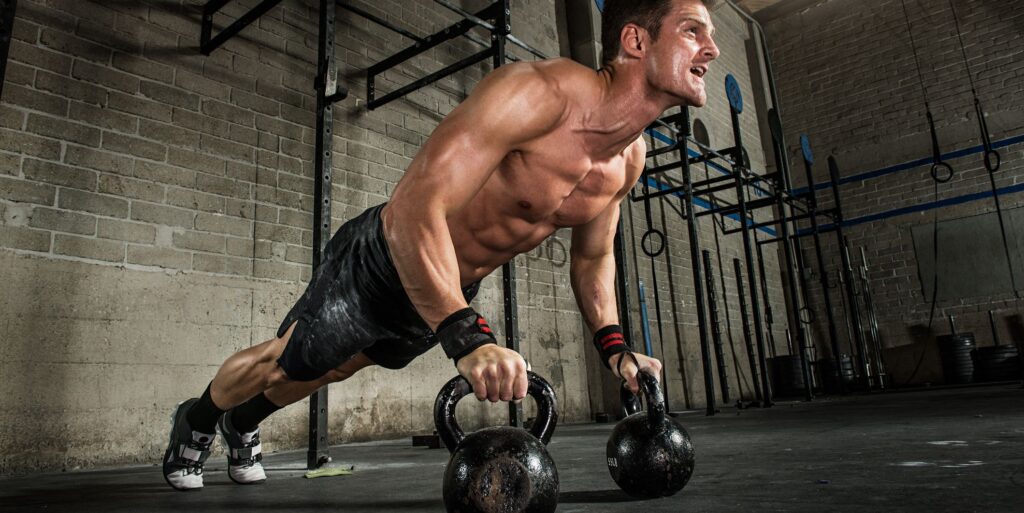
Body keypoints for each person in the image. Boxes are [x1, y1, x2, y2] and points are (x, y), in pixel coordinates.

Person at [162, 0, 719, 490]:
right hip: (386, 256)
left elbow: (594, 258)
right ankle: (200, 420)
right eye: (694, 31)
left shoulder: (629, 159)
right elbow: (413, 208)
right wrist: (467, 334)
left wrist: (614, 347)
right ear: (636, 40)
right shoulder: (538, 93)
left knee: (332, 370)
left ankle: (243, 423)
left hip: (448, 285)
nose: (712, 50)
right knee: (290, 362)